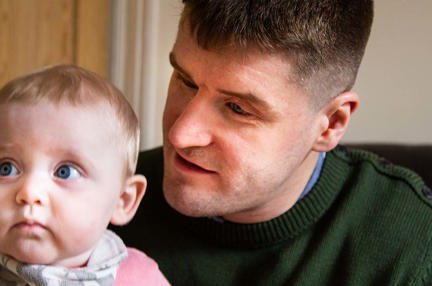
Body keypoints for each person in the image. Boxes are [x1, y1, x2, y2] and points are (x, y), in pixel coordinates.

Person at [112, 0, 432, 285]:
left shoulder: (411, 245)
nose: (181, 134)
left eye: (238, 108)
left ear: (330, 125)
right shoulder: (101, 195)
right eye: (185, 81)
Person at [0, 64, 170, 285]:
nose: (30, 192)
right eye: (6, 168)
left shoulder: (138, 278)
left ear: (123, 200)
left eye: (65, 172)